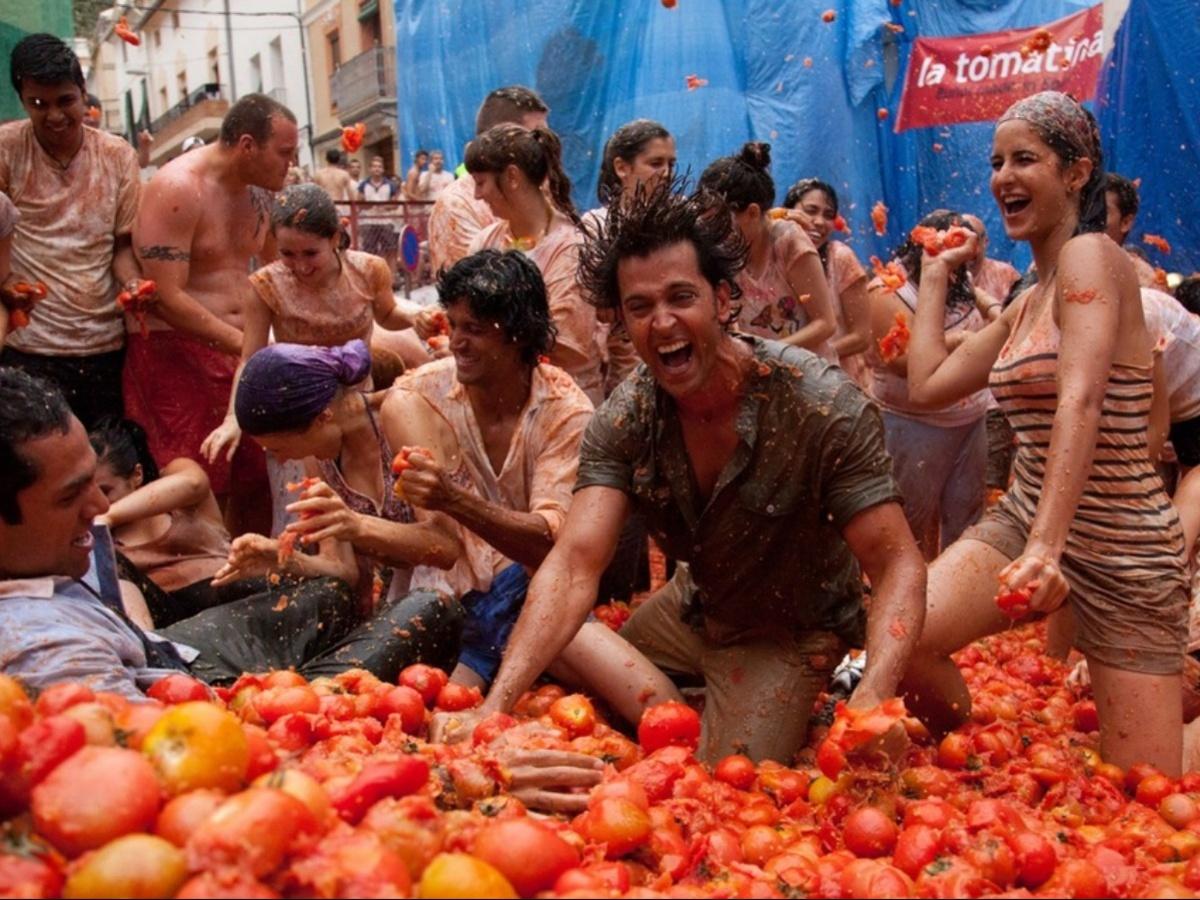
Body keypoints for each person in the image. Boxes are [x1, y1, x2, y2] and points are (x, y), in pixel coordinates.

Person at [436, 181, 926, 764]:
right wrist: (494, 709)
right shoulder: (627, 417)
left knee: (729, 775)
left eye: (680, 298)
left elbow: (896, 561)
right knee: (544, 641)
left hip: (790, 628)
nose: (661, 322)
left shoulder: (819, 404)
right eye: (639, 307)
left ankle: (809, 689)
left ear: (722, 300)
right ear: (620, 322)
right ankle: (686, 702)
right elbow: (571, 564)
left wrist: (874, 697)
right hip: (693, 607)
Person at [900, 91, 1188, 775]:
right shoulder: (1029, 296)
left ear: (1077, 172)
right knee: (899, 631)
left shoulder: (1093, 256)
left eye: (1025, 158)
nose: (1003, 176)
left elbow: (1081, 398)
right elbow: (927, 385)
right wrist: (939, 277)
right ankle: (973, 754)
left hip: (1124, 546)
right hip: (1029, 517)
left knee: (1148, 787)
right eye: (997, 161)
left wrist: (1047, 549)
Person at [0, 367, 462, 698]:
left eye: (98, 487)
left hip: (164, 653)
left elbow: (388, 561)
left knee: (328, 595)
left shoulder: (50, 554)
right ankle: (310, 687)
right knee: (430, 609)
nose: (102, 509)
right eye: (70, 497)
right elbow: (170, 756)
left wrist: (286, 558)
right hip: (197, 699)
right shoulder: (50, 654)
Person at [284, 253, 621, 694]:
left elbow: (549, 549)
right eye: (454, 325)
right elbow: (437, 551)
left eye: (474, 330)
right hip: (447, 601)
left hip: (539, 593)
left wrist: (449, 499)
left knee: (636, 691)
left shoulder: (567, 413)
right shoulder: (420, 393)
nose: (456, 341)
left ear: (518, 336)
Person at [124, 93, 299, 538]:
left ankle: (259, 581)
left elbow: (282, 268)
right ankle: (209, 585)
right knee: (203, 486)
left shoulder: (260, 193)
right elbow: (165, 296)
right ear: (246, 146)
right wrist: (247, 346)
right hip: (176, 353)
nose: (290, 164)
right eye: (284, 153)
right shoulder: (179, 188)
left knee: (261, 477)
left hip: (240, 352)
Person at [200, 184, 427, 465]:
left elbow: (388, 315)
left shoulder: (369, 270)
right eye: (287, 254)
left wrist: (416, 319)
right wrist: (233, 418)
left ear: (334, 238)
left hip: (359, 405)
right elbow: (250, 358)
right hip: (300, 419)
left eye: (310, 253)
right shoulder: (265, 285)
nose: (300, 266)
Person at [0, 34, 145, 429]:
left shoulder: (118, 155)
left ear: (83, 94)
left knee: (105, 464)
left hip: (104, 344)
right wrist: (6, 282)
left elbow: (122, 247)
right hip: (29, 346)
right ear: (23, 101)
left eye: (65, 101)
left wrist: (133, 285)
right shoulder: (6, 150)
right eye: (38, 104)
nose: (55, 116)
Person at [867, 210, 992, 559]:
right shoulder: (888, 288)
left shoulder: (963, 284)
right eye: (950, 243)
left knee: (967, 521)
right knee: (909, 526)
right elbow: (901, 362)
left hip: (970, 420)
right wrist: (958, 342)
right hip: (913, 424)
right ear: (924, 243)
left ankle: (955, 599)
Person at [465, 124, 604, 404]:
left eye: (481, 182)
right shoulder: (485, 242)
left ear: (512, 177)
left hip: (566, 401)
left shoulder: (573, 246)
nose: (477, 195)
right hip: (501, 401)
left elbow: (565, 340)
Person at [698, 143, 838, 360]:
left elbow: (825, 324)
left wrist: (763, 352)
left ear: (753, 212)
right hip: (757, 373)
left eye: (721, 222)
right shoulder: (727, 249)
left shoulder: (789, 243)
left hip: (808, 374)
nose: (715, 232)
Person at [586, 119, 677, 396]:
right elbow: (596, 307)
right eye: (656, 163)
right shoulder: (595, 226)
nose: (666, 173)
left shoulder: (683, 218)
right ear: (621, 167)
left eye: (671, 164)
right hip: (627, 377)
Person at [427, 86, 549, 273]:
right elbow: (478, 291)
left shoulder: (542, 188)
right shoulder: (457, 205)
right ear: (497, 138)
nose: (545, 147)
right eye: (535, 137)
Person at [784, 178, 871, 387]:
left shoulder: (840, 259)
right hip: (784, 381)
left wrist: (803, 358)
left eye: (828, 215)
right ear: (788, 211)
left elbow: (861, 337)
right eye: (811, 210)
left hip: (837, 384)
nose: (820, 222)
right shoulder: (774, 255)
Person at [1104, 172, 1159, 288]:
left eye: (1102, 212)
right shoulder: (1064, 261)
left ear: (1126, 223)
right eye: (1085, 209)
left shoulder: (1143, 280)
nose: (1089, 218)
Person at [358, 155, 402, 277]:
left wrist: (383, 206)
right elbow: (359, 203)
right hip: (368, 221)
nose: (377, 169)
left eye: (379, 166)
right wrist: (370, 206)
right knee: (369, 251)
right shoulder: (363, 185)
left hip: (385, 221)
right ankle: (371, 277)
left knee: (390, 250)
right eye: (374, 166)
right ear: (370, 168)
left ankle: (391, 277)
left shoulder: (390, 185)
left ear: (383, 169)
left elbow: (395, 204)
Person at [962, 214, 1020, 305]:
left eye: (974, 241)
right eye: (961, 241)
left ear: (985, 242)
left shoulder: (1006, 274)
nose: (967, 249)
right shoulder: (943, 277)